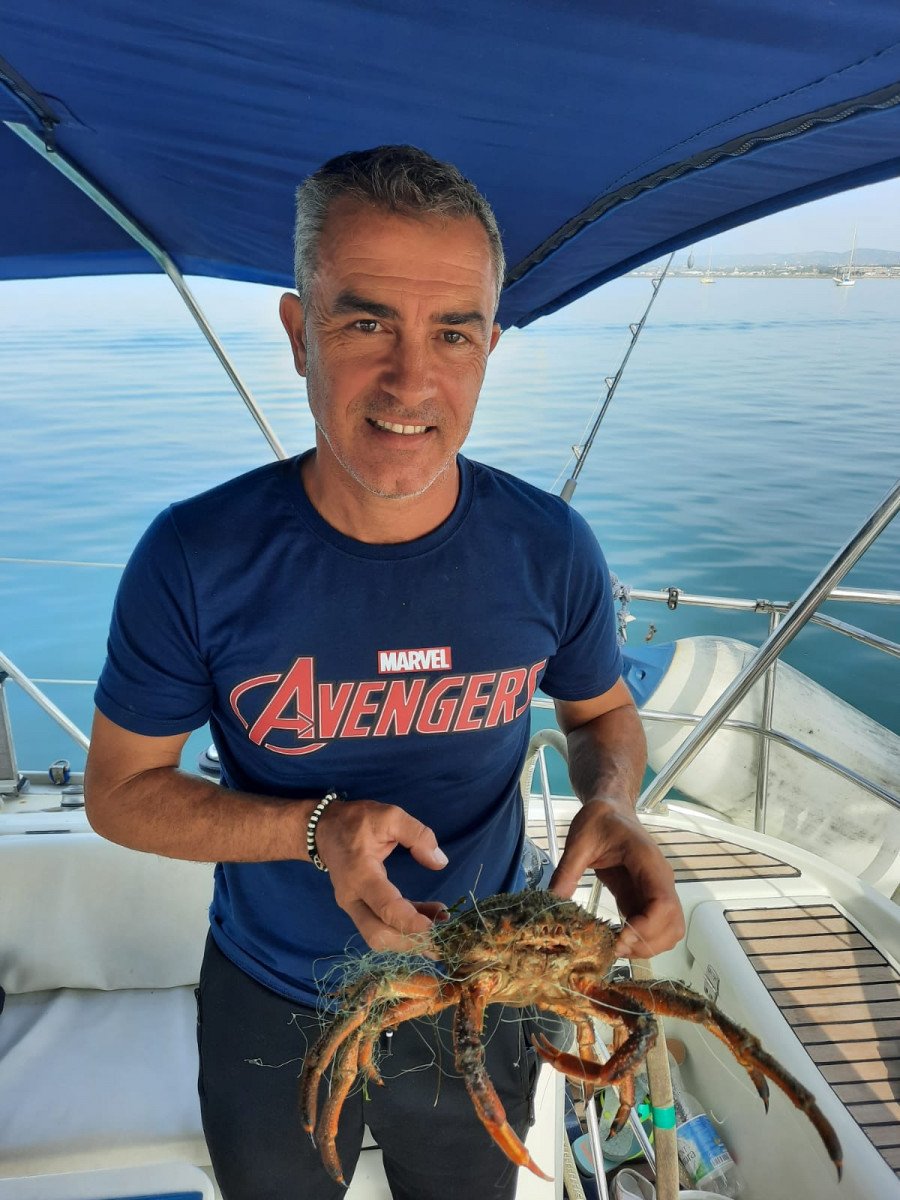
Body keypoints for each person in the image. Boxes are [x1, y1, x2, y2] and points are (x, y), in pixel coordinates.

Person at [84, 144, 684, 1200]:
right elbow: (119, 795)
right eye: (367, 323)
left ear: (489, 345)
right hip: (274, 995)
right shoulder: (197, 556)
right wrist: (314, 831)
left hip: (484, 995)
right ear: (297, 332)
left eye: (453, 332)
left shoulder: (551, 548)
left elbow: (601, 716)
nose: (413, 380)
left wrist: (618, 798)